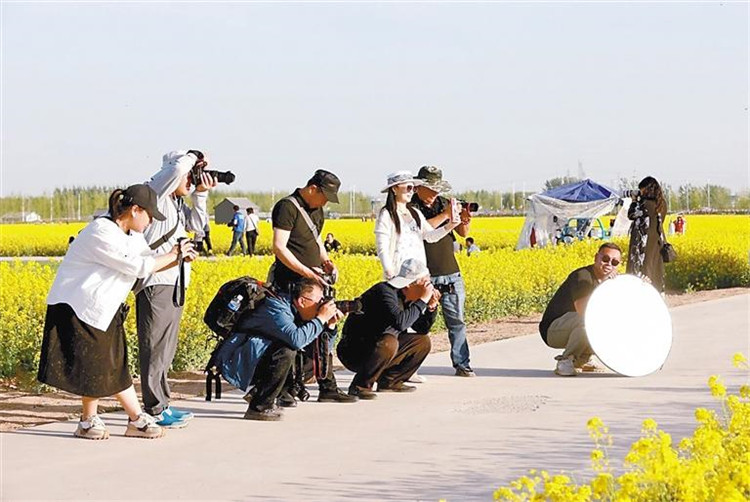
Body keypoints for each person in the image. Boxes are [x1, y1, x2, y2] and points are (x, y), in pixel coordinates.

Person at [38, 184, 196, 439]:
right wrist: (174, 255)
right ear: (135, 210)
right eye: (149, 215)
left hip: (102, 309)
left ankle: (91, 420)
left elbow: (149, 258)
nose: (151, 221)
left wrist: (176, 255)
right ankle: (131, 418)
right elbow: (139, 266)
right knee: (105, 364)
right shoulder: (100, 232)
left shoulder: (132, 236)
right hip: (77, 306)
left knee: (107, 364)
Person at [135, 150, 217, 429]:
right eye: (189, 177)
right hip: (156, 282)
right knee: (154, 348)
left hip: (175, 280)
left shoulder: (175, 204)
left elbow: (198, 226)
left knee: (165, 350)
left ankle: (162, 404)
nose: (191, 181)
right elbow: (173, 172)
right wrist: (192, 158)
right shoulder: (154, 194)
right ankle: (154, 408)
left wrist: (201, 194)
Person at [268, 169, 355, 403]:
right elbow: (279, 247)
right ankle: (283, 389)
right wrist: (306, 271)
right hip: (290, 284)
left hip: (315, 283)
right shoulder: (287, 207)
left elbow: (317, 241)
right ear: (312, 188)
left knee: (324, 331)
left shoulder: (316, 210)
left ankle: (327, 387)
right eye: (324, 196)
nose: (325, 202)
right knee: (290, 338)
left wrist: (326, 262)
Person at [217, 278, 344, 421]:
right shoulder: (277, 308)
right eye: (319, 301)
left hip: (257, 357)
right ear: (302, 301)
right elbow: (296, 340)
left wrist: (330, 327)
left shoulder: (299, 311)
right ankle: (259, 407)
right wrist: (321, 318)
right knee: (286, 351)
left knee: (312, 358)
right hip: (238, 359)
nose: (322, 306)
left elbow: (320, 352)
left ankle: (262, 392)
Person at [375, 170, 459, 383]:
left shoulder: (413, 213)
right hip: (400, 277)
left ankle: (408, 367)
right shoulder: (386, 214)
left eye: (413, 187)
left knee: (420, 320)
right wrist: (390, 273)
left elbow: (429, 236)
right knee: (402, 322)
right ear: (395, 189)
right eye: (408, 187)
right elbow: (383, 247)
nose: (412, 191)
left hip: (420, 273)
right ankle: (396, 367)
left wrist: (451, 225)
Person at [411, 166, 475, 377]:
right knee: (418, 324)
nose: (434, 194)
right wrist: (445, 215)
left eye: (437, 189)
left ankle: (462, 364)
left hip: (451, 273)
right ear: (418, 187)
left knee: (457, 322)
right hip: (423, 276)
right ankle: (409, 366)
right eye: (430, 189)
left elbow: (463, 232)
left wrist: (464, 218)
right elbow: (422, 230)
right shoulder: (410, 208)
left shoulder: (445, 203)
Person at [338, 259, 435, 398]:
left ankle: (390, 382)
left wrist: (431, 308)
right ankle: (360, 386)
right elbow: (400, 323)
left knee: (422, 342)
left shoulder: (409, 297)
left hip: (379, 347)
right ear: (409, 285)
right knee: (389, 342)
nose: (429, 287)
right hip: (354, 351)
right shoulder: (385, 292)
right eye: (425, 283)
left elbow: (421, 329)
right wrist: (423, 300)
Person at [539, 242, 622, 376]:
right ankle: (565, 361)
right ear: (596, 257)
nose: (609, 264)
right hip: (553, 330)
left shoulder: (611, 282)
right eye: (605, 259)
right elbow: (583, 310)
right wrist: (604, 287)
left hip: (573, 326)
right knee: (590, 321)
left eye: (615, 262)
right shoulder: (582, 277)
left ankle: (583, 359)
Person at [626, 176, 667, 293]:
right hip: (656, 244)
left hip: (643, 244)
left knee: (642, 271)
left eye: (642, 190)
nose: (641, 192)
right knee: (654, 270)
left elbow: (631, 214)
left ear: (647, 189)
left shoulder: (644, 204)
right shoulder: (662, 204)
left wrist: (634, 200)